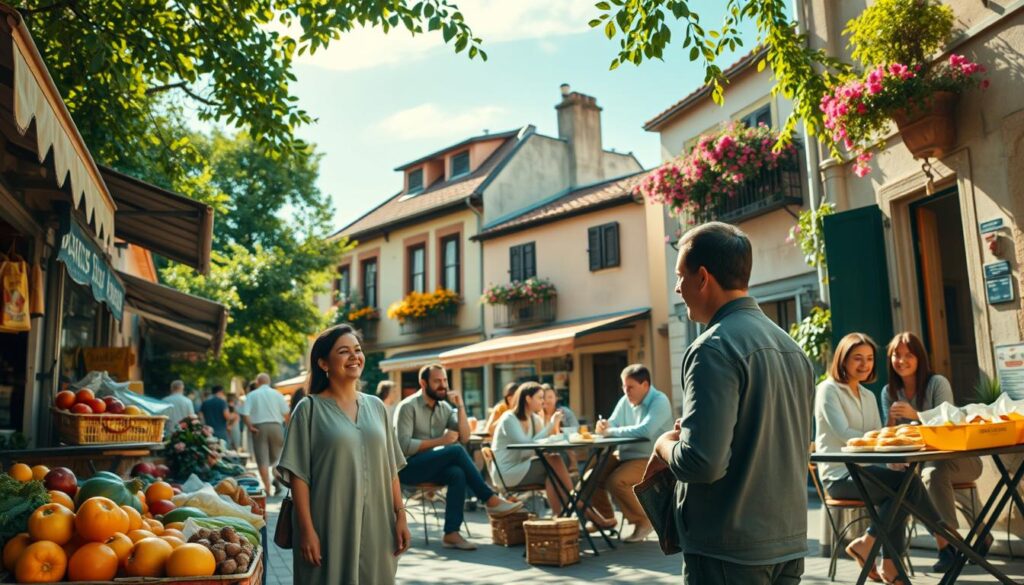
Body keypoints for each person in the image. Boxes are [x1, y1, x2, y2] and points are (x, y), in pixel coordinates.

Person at [654, 222, 815, 585]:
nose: (678, 287)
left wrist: (665, 445)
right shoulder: (793, 349)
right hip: (787, 543)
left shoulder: (712, 348)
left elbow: (702, 464)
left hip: (728, 549)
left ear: (703, 278)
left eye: (680, 276)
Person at [278, 324, 410, 584]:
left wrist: (401, 516)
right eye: (343, 351)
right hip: (328, 524)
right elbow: (298, 476)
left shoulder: (377, 407)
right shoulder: (308, 409)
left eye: (357, 350)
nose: (354, 357)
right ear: (324, 363)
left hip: (378, 524)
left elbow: (391, 468)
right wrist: (306, 530)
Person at [816, 332, 948, 584]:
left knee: (901, 486)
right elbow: (846, 435)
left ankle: (876, 552)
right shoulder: (827, 390)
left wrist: (889, 434)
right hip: (840, 476)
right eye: (857, 358)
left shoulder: (867, 394)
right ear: (842, 360)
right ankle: (940, 539)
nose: (864, 364)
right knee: (903, 487)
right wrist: (881, 436)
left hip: (868, 472)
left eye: (869, 358)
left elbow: (877, 435)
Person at [882, 331, 990, 572]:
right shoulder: (888, 393)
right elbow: (889, 437)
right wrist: (891, 423)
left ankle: (947, 547)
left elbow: (948, 426)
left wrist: (916, 416)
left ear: (920, 358)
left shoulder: (937, 383)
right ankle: (977, 536)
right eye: (896, 355)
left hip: (960, 458)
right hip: (922, 464)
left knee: (931, 474)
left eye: (908, 354)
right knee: (910, 481)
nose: (902, 360)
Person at [394, 364, 522, 550]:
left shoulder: (445, 408)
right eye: (437, 381)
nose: (443, 385)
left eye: (445, 380)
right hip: (407, 469)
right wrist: (441, 440)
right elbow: (403, 446)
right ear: (423, 383)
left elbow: (465, 437)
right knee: (455, 451)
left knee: (456, 473)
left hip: (432, 466)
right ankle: (490, 499)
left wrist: (460, 406)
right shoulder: (407, 407)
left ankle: (451, 534)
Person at [490, 382, 615, 527]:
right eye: (540, 398)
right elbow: (527, 446)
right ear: (528, 399)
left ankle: (559, 519)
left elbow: (542, 442)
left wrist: (554, 430)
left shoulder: (534, 419)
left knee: (553, 472)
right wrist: (550, 425)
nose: (543, 402)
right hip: (506, 473)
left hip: (523, 467)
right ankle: (582, 508)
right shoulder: (509, 419)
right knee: (554, 461)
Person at [591, 363, 672, 543]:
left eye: (630, 387)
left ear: (645, 385)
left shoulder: (660, 400)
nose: (626, 391)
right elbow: (612, 424)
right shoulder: (625, 401)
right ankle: (606, 518)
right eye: (624, 387)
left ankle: (643, 521)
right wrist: (604, 425)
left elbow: (645, 431)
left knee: (616, 481)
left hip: (652, 457)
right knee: (593, 474)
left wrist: (610, 432)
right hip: (626, 455)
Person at [240, 372, 290, 495]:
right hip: (277, 427)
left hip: (259, 428)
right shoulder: (278, 394)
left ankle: (267, 489)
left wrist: (250, 426)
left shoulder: (252, 395)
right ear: (269, 382)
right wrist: (287, 428)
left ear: (257, 382)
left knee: (262, 459)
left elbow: (245, 414)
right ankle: (276, 475)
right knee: (278, 457)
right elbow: (286, 413)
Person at [540, 385, 579, 472]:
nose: (546, 400)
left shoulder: (565, 413)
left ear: (556, 398)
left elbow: (575, 430)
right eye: (543, 397)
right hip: (543, 450)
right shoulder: (536, 415)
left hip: (563, 450)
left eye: (550, 397)